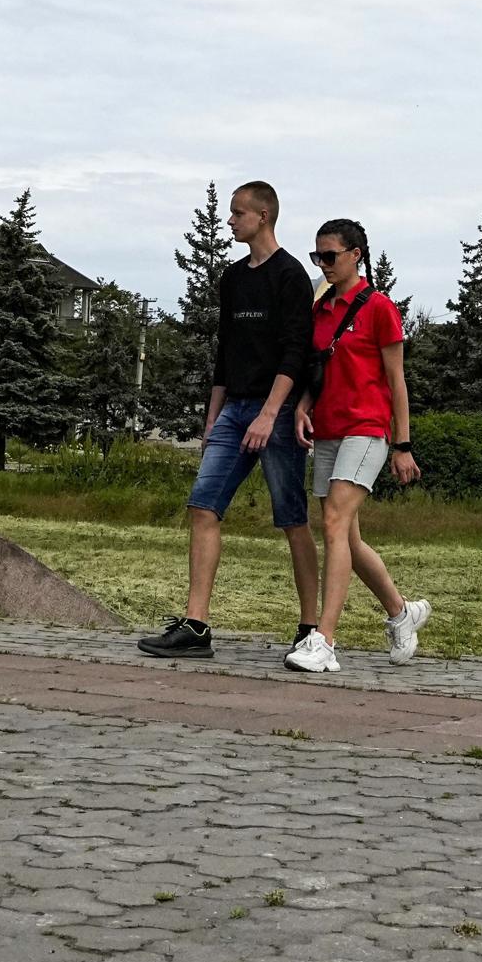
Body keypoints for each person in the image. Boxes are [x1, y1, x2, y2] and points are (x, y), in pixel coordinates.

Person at [136, 181, 318, 658]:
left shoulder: (291, 275)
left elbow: (296, 353)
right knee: (203, 507)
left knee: (292, 519)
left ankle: (310, 628)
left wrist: (270, 413)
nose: (230, 221)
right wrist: (212, 418)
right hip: (233, 411)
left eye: (238, 213)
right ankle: (196, 627)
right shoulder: (233, 278)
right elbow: (224, 354)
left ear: (263, 216)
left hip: (272, 413)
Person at [286, 220, 428, 673]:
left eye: (330, 256)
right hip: (328, 429)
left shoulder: (380, 308)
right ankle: (402, 612)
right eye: (317, 257)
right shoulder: (320, 308)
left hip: (368, 430)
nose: (323, 265)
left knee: (332, 521)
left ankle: (323, 640)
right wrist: (302, 406)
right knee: (346, 534)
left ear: (356, 255)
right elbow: (318, 369)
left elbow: (396, 381)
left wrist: (402, 444)